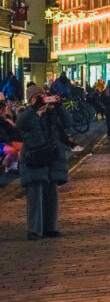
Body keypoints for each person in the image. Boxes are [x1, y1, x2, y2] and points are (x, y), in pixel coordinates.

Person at [17, 86, 70, 240]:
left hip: (51, 158)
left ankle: (50, 228)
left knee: (51, 194)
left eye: (43, 96)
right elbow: (20, 123)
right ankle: (34, 230)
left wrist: (59, 107)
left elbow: (68, 122)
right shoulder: (26, 113)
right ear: (30, 100)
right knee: (35, 194)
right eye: (37, 97)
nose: (41, 99)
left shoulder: (51, 113)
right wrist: (34, 108)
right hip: (34, 158)